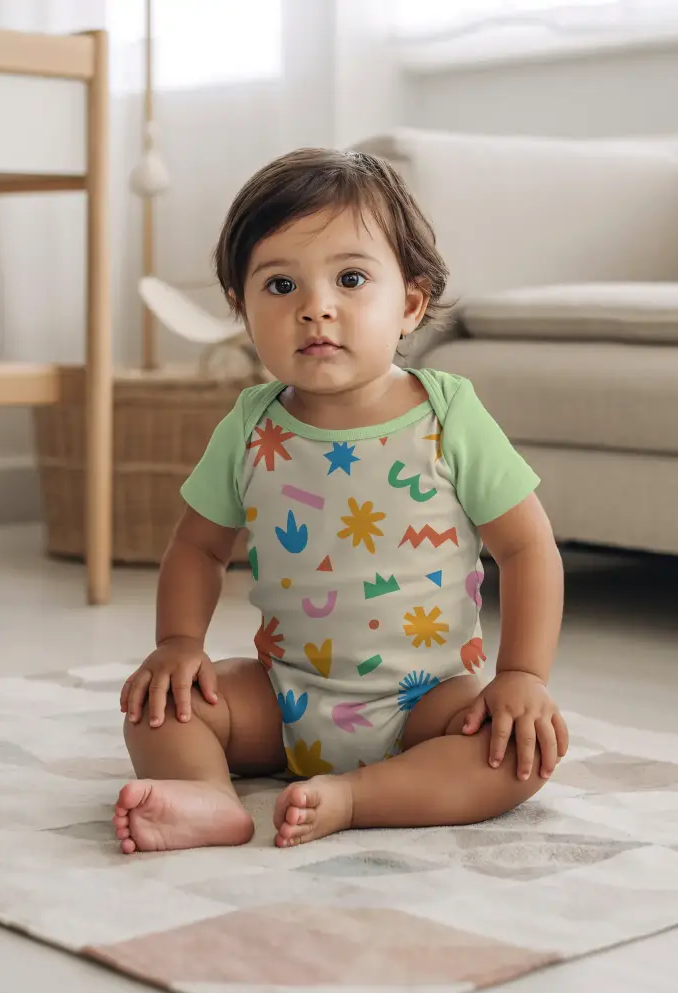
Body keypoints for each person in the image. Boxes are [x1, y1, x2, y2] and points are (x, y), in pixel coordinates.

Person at [112, 148, 568, 854]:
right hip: (283, 694)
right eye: (279, 285)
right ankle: (206, 797)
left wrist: (522, 676)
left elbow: (527, 546)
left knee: (518, 752)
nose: (314, 307)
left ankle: (355, 799)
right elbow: (198, 547)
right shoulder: (249, 424)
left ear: (410, 304)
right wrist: (178, 646)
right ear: (241, 309)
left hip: (426, 702)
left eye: (351, 279)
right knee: (156, 708)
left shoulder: (449, 414)